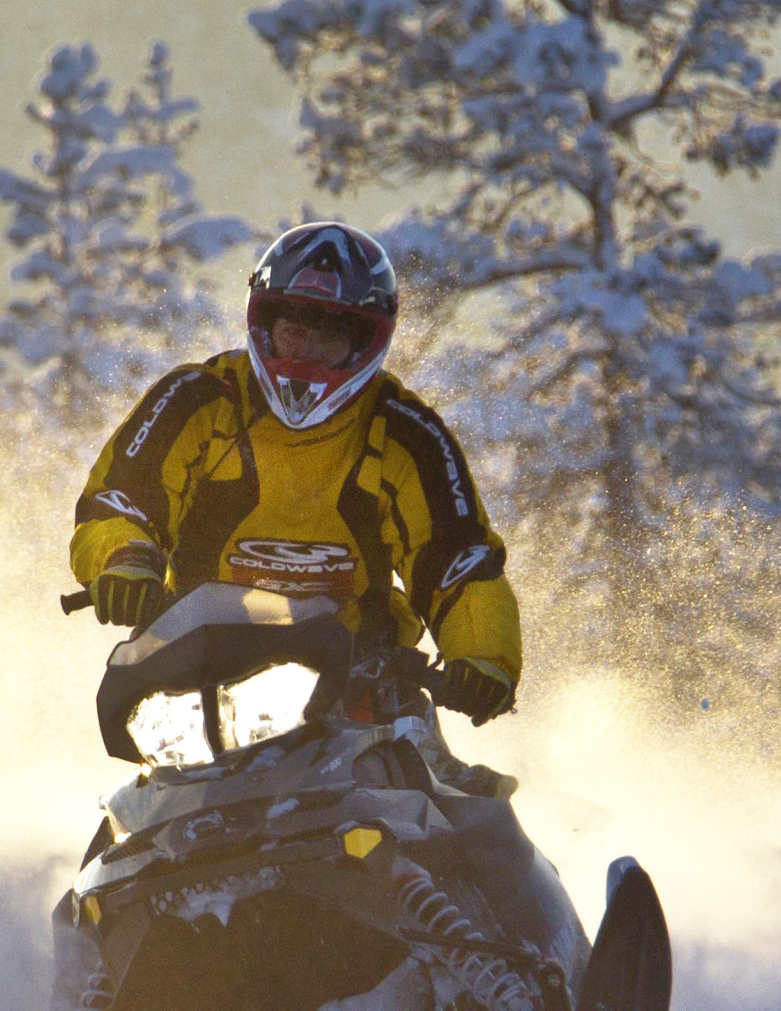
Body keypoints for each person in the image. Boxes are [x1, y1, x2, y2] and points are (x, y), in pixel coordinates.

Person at [68, 221, 519, 724]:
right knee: (135, 797)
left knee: (451, 796)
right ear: (265, 325)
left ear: (365, 341)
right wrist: (126, 559)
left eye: (328, 335)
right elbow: (121, 499)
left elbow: (457, 556)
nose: (305, 353)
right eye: (294, 331)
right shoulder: (196, 399)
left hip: (360, 682)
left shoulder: (407, 434)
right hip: (195, 671)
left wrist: (483, 657)